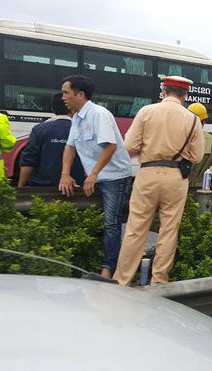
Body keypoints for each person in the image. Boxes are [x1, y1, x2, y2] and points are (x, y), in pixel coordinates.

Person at [113, 76, 204, 286]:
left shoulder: (146, 111)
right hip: (176, 178)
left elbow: (130, 146)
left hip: (148, 173)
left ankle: (122, 279)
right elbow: (197, 156)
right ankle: (159, 281)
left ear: (163, 91)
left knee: (136, 228)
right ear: (185, 96)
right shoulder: (192, 119)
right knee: (169, 229)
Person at [58, 75, 132, 279]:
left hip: (115, 176)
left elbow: (110, 146)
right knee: (89, 218)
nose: (62, 97)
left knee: (111, 223)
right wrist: (65, 174)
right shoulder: (77, 117)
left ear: (79, 94)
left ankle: (108, 270)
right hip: (95, 177)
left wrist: (93, 174)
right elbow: (69, 147)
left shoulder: (99, 114)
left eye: (66, 92)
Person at [18, 93, 86, 187]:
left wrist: (20, 187)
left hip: (42, 188)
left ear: (53, 108)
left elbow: (28, 160)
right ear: (72, 110)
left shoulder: (39, 129)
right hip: (74, 187)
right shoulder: (82, 131)